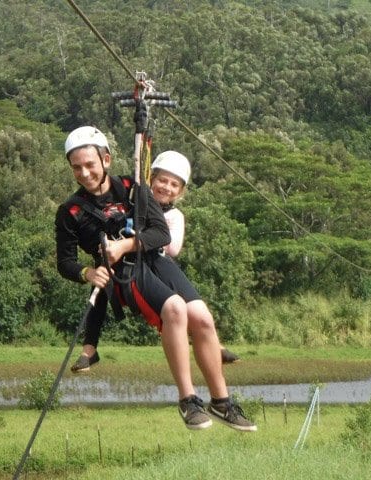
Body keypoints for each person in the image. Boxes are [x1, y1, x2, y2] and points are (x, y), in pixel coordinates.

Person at [55, 126, 256, 431]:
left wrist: (126, 243)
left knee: (202, 317)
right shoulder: (70, 211)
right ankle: (188, 400)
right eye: (76, 168)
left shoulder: (132, 188)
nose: (84, 173)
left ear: (106, 159)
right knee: (174, 309)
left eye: (90, 164)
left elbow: (161, 233)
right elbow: (65, 262)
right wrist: (86, 273)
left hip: (153, 260)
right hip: (122, 274)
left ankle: (222, 402)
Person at [71, 150, 240, 373]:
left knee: (188, 305)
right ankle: (89, 349)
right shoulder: (133, 202)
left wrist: (148, 233)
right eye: (162, 181)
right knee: (100, 286)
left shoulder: (174, 216)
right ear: (152, 180)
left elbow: (173, 247)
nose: (166, 188)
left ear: (179, 192)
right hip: (128, 266)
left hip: (157, 264)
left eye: (173, 185)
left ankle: (212, 342)